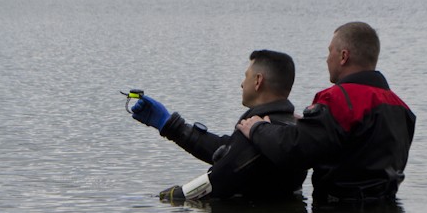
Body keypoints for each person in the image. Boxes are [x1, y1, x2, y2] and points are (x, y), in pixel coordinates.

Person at [237, 22, 416, 204]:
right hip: (388, 211)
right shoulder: (402, 108)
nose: (327, 59)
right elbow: (357, 147)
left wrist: (258, 128)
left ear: (343, 56)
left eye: (330, 51)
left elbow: (295, 151)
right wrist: (312, 125)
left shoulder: (338, 98)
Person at [130, 50, 307, 201]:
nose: (242, 83)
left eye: (246, 76)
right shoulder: (292, 129)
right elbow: (228, 151)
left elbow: (215, 180)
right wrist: (171, 125)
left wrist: (165, 197)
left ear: (258, 81)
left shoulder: (260, 134)